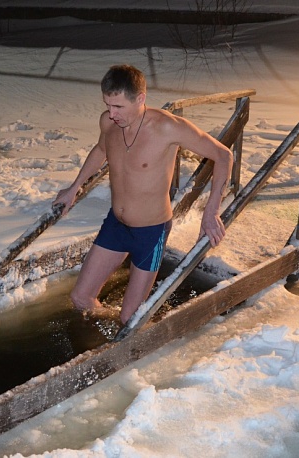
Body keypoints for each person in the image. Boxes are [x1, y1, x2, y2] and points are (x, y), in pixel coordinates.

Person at [53, 64, 233, 324]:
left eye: (119, 107)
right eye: (108, 105)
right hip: (116, 225)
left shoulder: (168, 128)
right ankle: (117, 335)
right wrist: (74, 187)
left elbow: (223, 155)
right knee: (81, 299)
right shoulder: (109, 122)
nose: (112, 114)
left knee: (130, 319)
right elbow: (101, 150)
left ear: (140, 99)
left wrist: (211, 210)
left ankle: (145, 333)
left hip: (151, 232)